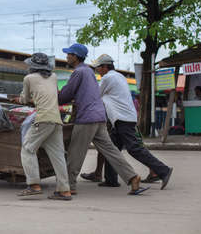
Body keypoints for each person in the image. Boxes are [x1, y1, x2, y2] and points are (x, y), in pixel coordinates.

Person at [58, 43, 148, 195]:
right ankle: (132, 177)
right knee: (111, 151)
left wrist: (51, 98)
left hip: (87, 117)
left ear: (75, 56)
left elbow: (66, 94)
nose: (66, 57)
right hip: (99, 116)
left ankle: (68, 186)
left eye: (69, 54)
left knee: (75, 152)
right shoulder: (88, 71)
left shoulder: (79, 72)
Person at [90, 54, 173, 190]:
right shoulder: (119, 76)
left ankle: (163, 170)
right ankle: (111, 179)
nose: (97, 70)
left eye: (98, 68)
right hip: (123, 118)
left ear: (105, 67)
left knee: (134, 149)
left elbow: (96, 95)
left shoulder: (108, 78)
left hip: (123, 119)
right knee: (112, 149)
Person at [14, 53, 72, 200]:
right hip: (56, 119)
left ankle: (33, 185)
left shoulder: (28, 78)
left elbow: (25, 99)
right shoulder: (53, 77)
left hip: (43, 118)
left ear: (32, 66)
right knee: (58, 155)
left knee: (27, 148)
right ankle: (64, 190)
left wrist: (20, 99)